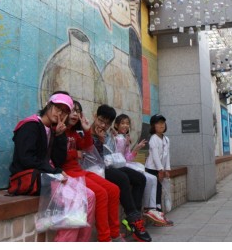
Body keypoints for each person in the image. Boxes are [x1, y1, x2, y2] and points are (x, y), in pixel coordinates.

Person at [10, 93, 96, 241]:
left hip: (49, 176)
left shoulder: (53, 129)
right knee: (74, 200)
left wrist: (60, 136)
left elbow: (58, 160)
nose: (60, 113)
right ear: (48, 105)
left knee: (90, 196)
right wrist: (54, 171)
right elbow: (26, 158)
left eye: (64, 111)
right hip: (31, 177)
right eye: (57, 108)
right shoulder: (30, 125)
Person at [56, 100, 123, 242]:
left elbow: (86, 147)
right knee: (101, 192)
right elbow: (56, 156)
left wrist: (87, 131)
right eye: (72, 110)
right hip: (67, 173)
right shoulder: (58, 129)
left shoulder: (74, 132)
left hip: (79, 170)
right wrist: (75, 153)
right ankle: (105, 238)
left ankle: (115, 234)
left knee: (113, 189)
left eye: (78, 111)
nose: (75, 114)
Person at [92, 105, 152, 242]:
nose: (103, 125)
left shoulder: (110, 135)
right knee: (123, 178)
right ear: (95, 116)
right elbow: (90, 157)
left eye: (107, 123)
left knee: (140, 178)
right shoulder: (87, 131)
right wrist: (99, 142)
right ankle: (133, 218)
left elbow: (120, 157)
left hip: (110, 166)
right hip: (96, 170)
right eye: (101, 121)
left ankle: (135, 218)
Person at [112, 114, 167, 226]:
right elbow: (117, 158)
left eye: (127, 123)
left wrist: (136, 148)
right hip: (120, 166)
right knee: (146, 178)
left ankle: (150, 208)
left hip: (126, 164)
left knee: (152, 178)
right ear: (116, 125)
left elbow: (127, 157)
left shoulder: (124, 138)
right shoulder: (117, 139)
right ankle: (144, 209)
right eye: (123, 123)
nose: (125, 125)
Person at [145, 114, 174, 226]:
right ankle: (157, 217)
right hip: (152, 169)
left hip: (160, 170)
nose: (161, 125)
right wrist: (160, 170)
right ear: (153, 126)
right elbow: (156, 156)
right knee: (154, 193)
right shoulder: (153, 139)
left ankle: (159, 216)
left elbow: (167, 156)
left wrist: (167, 169)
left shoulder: (166, 139)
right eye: (158, 123)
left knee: (159, 192)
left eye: (163, 122)